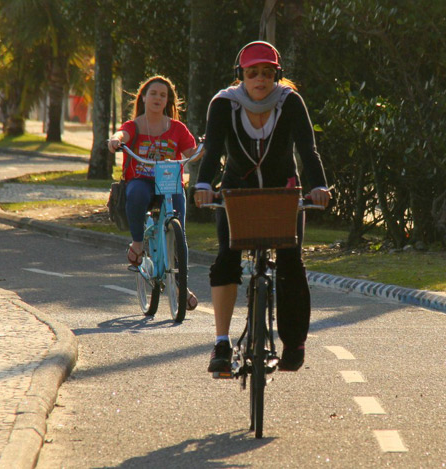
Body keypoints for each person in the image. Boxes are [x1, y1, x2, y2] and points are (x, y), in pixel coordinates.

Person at [194, 41, 331, 373]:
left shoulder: (290, 102)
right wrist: (202, 186)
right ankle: (222, 344)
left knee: (290, 262)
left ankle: (294, 344)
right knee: (227, 258)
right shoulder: (224, 104)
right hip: (236, 193)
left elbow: (307, 149)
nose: (260, 79)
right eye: (252, 72)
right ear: (241, 75)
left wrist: (319, 187)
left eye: (267, 72)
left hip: (283, 193)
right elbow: (212, 150)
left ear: (277, 75)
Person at [107, 75, 202, 311]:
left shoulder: (177, 128)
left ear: (168, 100)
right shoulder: (135, 125)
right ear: (144, 97)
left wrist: (202, 148)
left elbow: (191, 151)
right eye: (153, 94)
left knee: (179, 230)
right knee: (136, 193)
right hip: (142, 181)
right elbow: (122, 135)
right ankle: (138, 244)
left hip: (169, 184)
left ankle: (181, 284)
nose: (158, 98)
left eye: (163, 95)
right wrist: (115, 140)